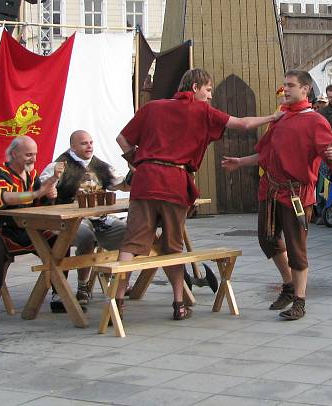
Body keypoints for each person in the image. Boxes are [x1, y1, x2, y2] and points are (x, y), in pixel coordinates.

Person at [115, 68, 281, 321]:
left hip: (145, 180)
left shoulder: (152, 107)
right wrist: (273, 116)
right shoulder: (202, 111)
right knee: (173, 246)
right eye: (208, 90)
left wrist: (138, 163)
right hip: (173, 182)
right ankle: (179, 304)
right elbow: (243, 124)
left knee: (131, 243)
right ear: (194, 87)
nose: (210, 96)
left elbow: (122, 139)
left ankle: (116, 300)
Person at [223, 70, 332, 321]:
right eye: (284, 85)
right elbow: (266, 155)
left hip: (297, 193)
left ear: (305, 89)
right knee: (267, 239)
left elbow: (331, 147)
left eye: (291, 85)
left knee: (297, 249)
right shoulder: (280, 117)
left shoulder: (315, 120)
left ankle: (299, 300)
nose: (285, 89)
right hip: (271, 188)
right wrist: (240, 162)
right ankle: (288, 285)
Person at [0, 136, 62, 322]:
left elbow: (40, 201)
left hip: (26, 230)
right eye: (28, 154)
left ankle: (58, 295)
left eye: (35, 155)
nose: (33, 159)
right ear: (14, 154)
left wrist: (50, 194)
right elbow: (7, 197)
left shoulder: (31, 174)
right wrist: (38, 193)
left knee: (60, 243)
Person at [39, 130, 131, 305]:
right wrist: (52, 181)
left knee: (130, 235)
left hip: (100, 220)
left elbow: (124, 186)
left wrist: (135, 168)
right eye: (83, 143)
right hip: (67, 222)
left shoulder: (101, 166)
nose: (89, 146)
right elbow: (41, 189)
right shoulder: (59, 165)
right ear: (72, 146)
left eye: (90, 142)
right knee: (86, 238)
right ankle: (83, 288)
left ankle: (118, 283)